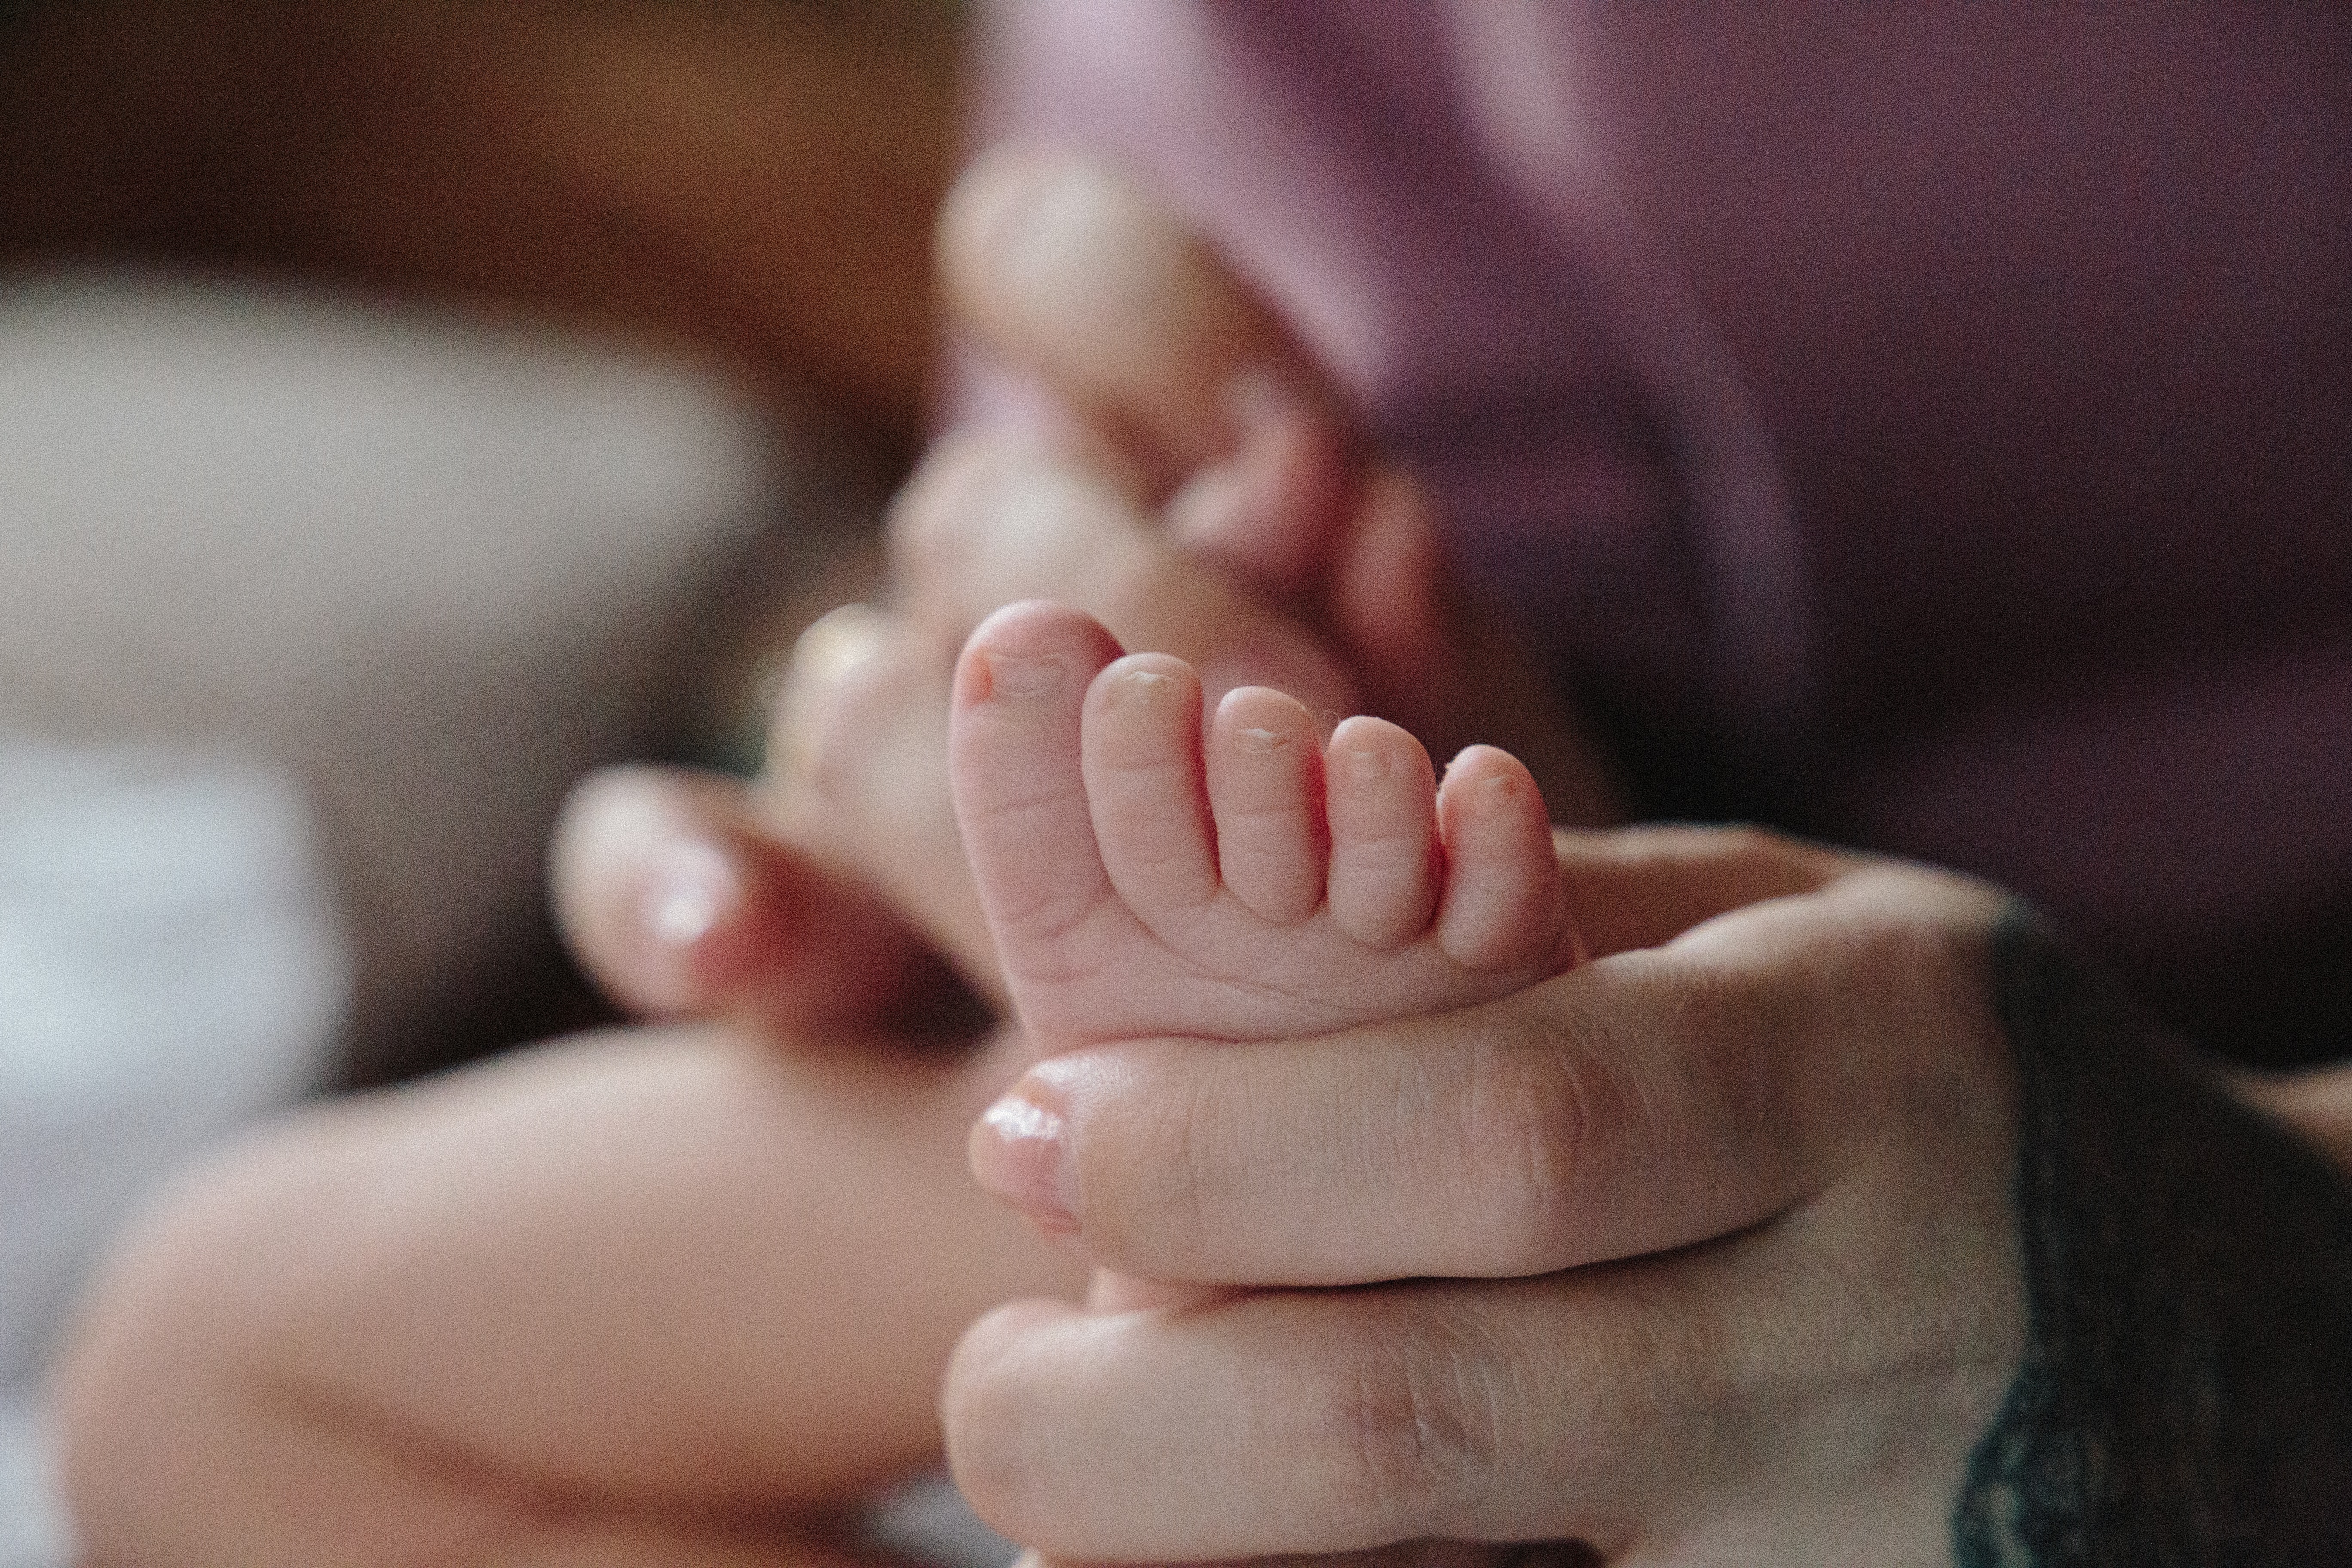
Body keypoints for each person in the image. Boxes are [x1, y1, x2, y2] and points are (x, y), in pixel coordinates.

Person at [58, 7, 2352, 1565]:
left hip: (1889, 1188)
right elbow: (1183, 528)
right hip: (1621, 1062)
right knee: (200, 1355)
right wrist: (1095, 709)